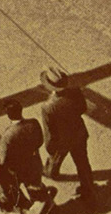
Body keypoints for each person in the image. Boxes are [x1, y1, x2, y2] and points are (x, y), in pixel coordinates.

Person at [39, 68, 97, 204]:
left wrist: (49, 147)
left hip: (62, 140)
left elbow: (49, 131)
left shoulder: (47, 107)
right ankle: (88, 189)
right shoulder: (75, 92)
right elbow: (83, 108)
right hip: (79, 133)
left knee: (55, 158)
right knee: (82, 163)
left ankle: (51, 173)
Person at [0, 100, 47, 204]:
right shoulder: (34, 123)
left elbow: (2, 159)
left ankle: (23, 205)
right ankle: (41, 204)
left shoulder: (8, 135)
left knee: (10, 190)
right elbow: (40, 141)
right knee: (35, 189)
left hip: (18, 170)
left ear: (8, 115)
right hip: (34, 164)